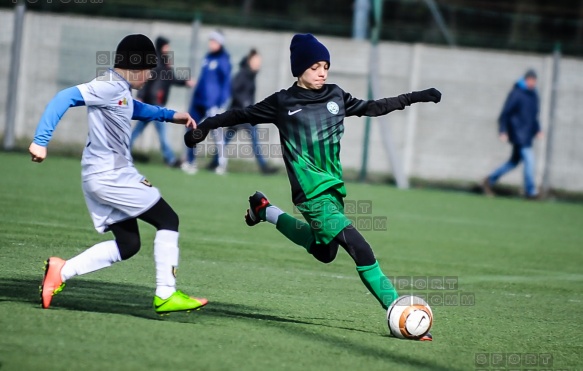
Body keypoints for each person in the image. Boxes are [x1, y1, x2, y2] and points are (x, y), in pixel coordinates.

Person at [185, 33, 441, 339]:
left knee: (325, 252)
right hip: (311, 194)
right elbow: (241, 114)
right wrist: (204, 128)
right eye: (315, 66)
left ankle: (264, 211)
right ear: (299, 69)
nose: (322, 72)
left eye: (325, 66)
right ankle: (396, 307)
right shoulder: (283, 102)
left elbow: (372, 107)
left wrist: (414, 97)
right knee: (359, 247)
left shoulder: (335, 95)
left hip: (334, 191)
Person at [29, 34, 208, 314]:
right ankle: (166, 293)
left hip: (100, 176)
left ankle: (60, 271)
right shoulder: (109, 85)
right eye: (149, 70)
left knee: (129, 244)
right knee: (168, 219)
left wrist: (172, 115)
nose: (150, 77)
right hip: (110, 175)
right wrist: (41, 141)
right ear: (135, 66)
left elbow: (135, 108)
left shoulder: (120, 89)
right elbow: (64, 97)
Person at [209, 49, 278, 175]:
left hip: (246, 114)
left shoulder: (251, 74)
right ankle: (263, 167)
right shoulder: (243, 74)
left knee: (237, 140)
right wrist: (245, 103)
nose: (258, 64)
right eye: (256, 61)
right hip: (239, 114)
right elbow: (234, 90)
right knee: (230, 140)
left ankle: (214, 162)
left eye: (259, 61)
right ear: (249, 60)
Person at [130, 36, 194, 168]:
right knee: (162, 132)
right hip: (152, 103)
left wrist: (184, 82)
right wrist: (140, 95)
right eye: (166, 46)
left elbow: (171, 78)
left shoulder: (165, 62)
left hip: (155, 103)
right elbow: (145, 80)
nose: (168, 49)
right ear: (160, 46)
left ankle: (121, 152)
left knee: (137, 131)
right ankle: (170, 159)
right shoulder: (155, 62)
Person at [483, 69, 543, 199]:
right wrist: (503, 130)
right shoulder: (517, 93)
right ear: (526, 80)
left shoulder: (534, 95)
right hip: (518, 134)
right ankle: (531, 192)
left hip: (527, 135)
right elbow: (505, 113)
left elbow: (534, 116)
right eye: (531, 80)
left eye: (535, 80)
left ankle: (489, 180)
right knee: (530, 160)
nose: (533, 83)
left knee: (513, 162)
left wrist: (538, 129)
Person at [182, 30, 231, 175]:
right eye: (210, 41)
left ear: (220, 43)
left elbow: (226, 84)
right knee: (190, 128)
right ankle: (190, 161)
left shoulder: (224, 60)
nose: (211, 43)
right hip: (198, 101)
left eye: (214, 41)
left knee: (217, 134)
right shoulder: (207, 57)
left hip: (212, 104)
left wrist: (221, 103)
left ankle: (221, 164)